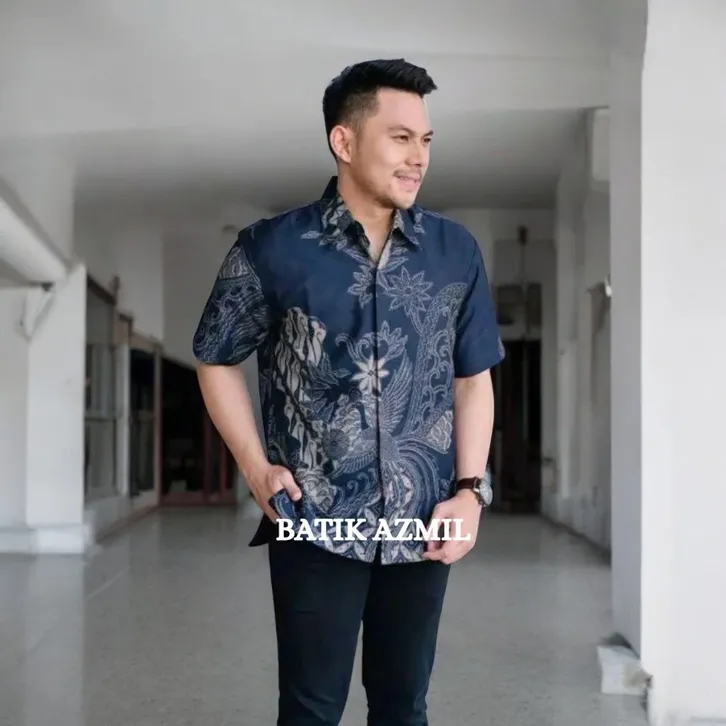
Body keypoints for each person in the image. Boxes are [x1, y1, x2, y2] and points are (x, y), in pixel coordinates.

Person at [193, 58, 504, 726]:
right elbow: (215, 358)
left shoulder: (455, 253)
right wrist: (254, 465)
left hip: (423, 523)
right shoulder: (272, 249)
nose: (419, 157)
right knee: (310, 710)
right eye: (401, 137)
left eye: (426, 140)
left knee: (404, 706)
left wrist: (469, 491)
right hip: (313, 520)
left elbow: (472, 379)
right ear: (344, 140)